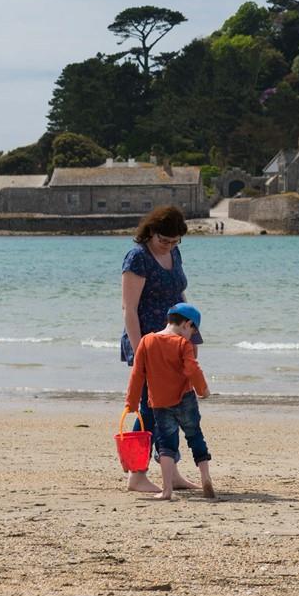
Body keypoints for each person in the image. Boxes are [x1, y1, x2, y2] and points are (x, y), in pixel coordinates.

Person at [120, 206, 196, 493]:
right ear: (151, 232)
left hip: (175, 341)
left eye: (175, 241)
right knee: (148, 409)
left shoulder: (174, 252)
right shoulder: (137, 258)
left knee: (174, 406)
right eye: (165, 240)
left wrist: (191, 331)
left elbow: (179, 295)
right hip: (148, 341)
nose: (169, 246)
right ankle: (137, 475)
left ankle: (171, 471)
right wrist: (142, 352)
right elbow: (129, 310)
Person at [125, 303, 213, 501]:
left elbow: (137, 375)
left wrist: (131, 402)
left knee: (166, 445)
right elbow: (193, 369)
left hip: (159, 403)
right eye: (193, 331)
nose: (191, 336)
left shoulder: (146, 342)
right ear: (187, 324)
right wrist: (203, 390)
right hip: (185, 400)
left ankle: (166, 490)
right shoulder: (183, 344)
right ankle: (206, 478)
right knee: (195, 437)